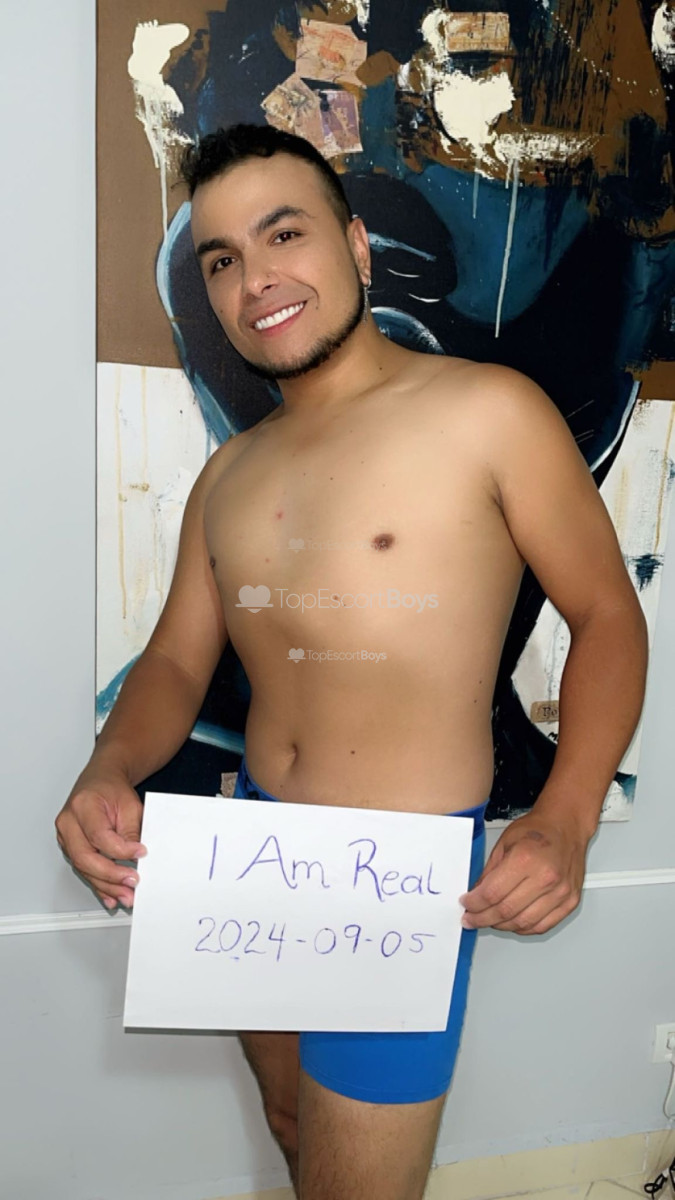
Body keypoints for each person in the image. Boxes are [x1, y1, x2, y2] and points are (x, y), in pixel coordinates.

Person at [56, 124, 648, 1200]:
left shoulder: (486, 412)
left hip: (398, 879)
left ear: (357, 247)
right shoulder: (229, 475)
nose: (254, 279)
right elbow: (176, 665)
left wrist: (566, 815)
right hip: (255, 851)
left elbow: (607, 615)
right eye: (222, 259)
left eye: (283, 234)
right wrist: (108, 767)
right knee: (290, 1123)